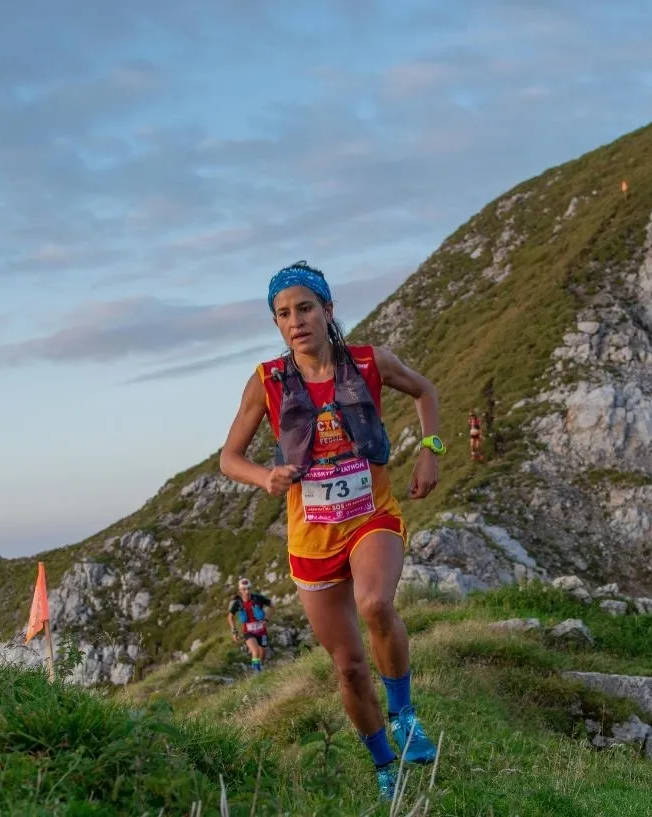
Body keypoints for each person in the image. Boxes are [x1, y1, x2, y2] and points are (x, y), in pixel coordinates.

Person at [219, 260, 445, 803]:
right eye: (282, 314)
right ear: (276, 324)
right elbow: (229, 457)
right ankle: (384, 767)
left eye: (304, 308)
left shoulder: (369, 362)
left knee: (374, 605)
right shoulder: (267, 381)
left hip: (372, 515)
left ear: (327, 310)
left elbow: (425, 391)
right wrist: (264, 476)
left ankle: (405, 715)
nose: (295, 321)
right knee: (347, 668)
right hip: (311, 539)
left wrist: (430, 451)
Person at [227, 577, 272, 672]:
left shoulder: (258, 598)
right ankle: (257, 674)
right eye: (244, 589)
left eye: (248, 588)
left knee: (262, 653)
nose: (247, 591)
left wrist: (267, 620)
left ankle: (260, 667)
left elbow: (272, 607)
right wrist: (234, 631)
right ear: (240, 590)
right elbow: (230, 617)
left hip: (261, 631)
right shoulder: (237, 603)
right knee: (255, 651)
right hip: (248, 632)